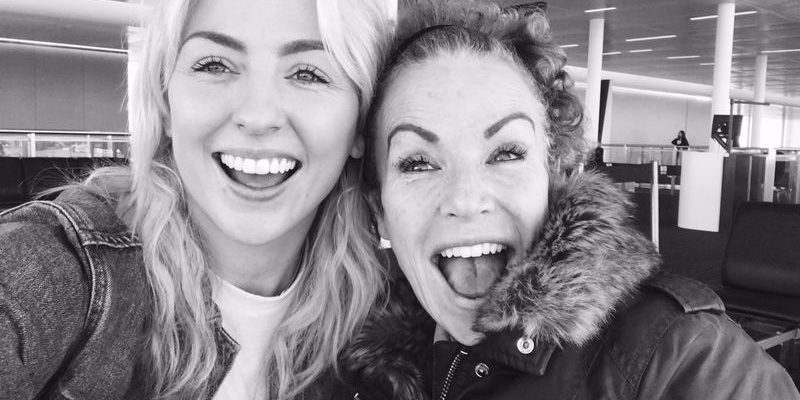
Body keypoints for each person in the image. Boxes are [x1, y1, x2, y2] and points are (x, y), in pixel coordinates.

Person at [338, 1, 800, 399]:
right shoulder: (345, 359)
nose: (466, 198)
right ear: (379, 212)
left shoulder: (680, 358)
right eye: (418, 163)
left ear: (554, 177)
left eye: (506, 153)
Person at [0, 0, 392, 398]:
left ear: (361, 124)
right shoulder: (62, 265)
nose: (258, 116)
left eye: (308, 74)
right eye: (215, 66)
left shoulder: (389, 312)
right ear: (166, 104)